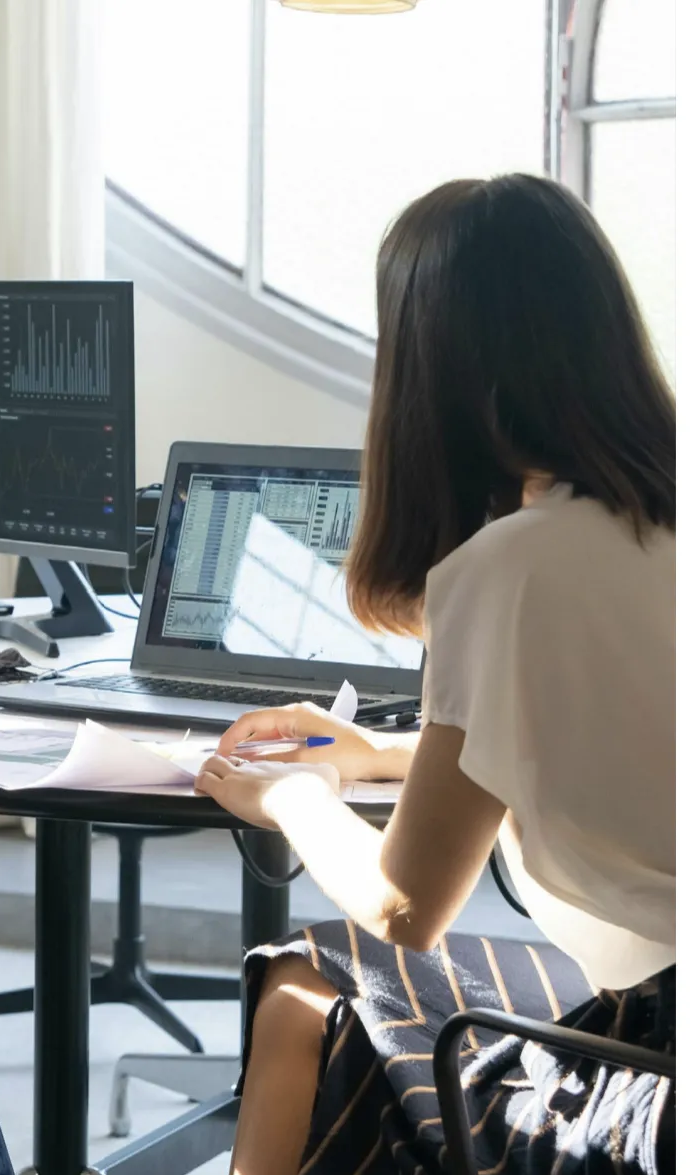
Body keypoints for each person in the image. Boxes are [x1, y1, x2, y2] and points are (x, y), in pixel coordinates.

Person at [195, 175, 675, 1175]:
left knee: (303, 981)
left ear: (436, 371)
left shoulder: (512, 565)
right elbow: (624, 736)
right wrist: (387, 750)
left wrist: (296, 794)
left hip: (651, 1078)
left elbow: (405, 907)